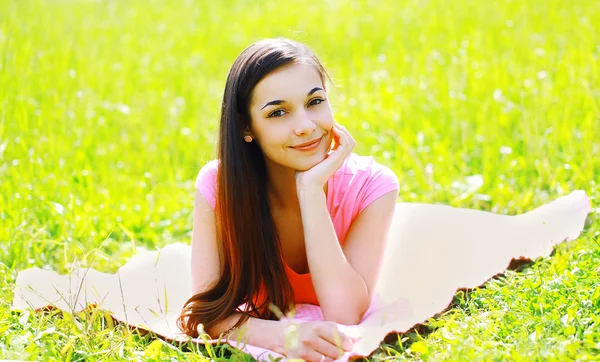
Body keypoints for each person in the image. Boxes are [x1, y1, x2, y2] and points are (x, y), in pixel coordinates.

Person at [177, 37, 399, 361]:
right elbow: (205, 314)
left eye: (315, 102)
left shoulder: (373, 186)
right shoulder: (219, 186)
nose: (306, 127)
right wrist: (283, 336)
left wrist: (310, 193)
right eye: (278, 112)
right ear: (246, 127)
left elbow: (345, 314)